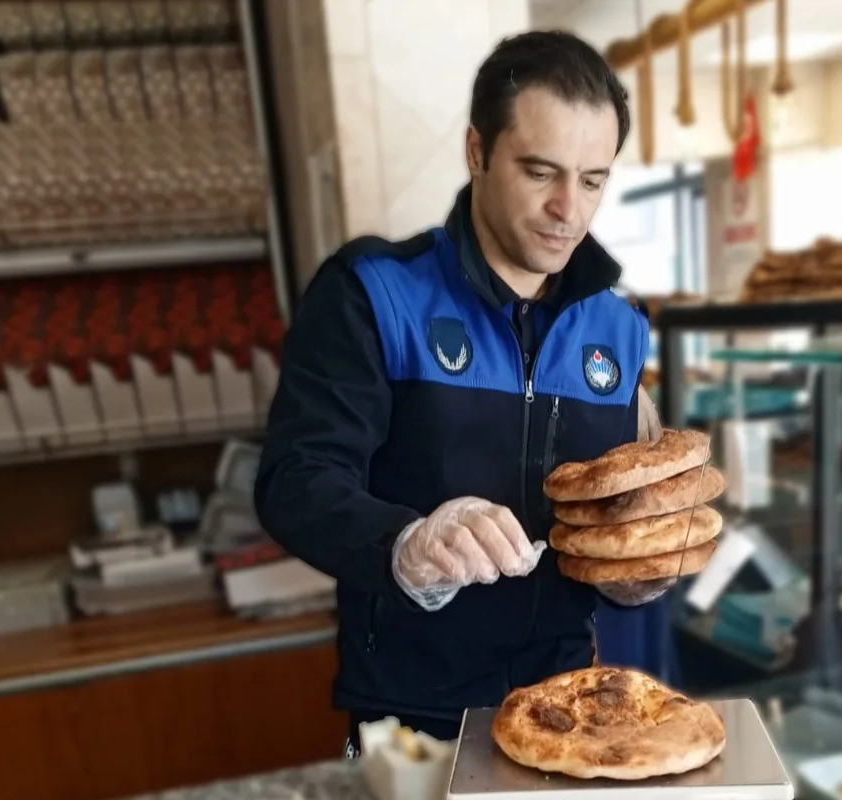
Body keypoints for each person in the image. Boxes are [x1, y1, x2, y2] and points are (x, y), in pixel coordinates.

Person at [254, 31, 670, 754]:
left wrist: (632, 569)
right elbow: (294, 480)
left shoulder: (621, 329)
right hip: (414, 717)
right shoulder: (374, 293)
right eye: (539, 172)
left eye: (593, 179)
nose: (567, 209)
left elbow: (613, 516)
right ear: (477, 152)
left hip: (569, 709)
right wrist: (407, 543)